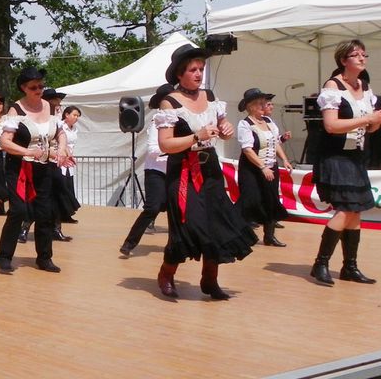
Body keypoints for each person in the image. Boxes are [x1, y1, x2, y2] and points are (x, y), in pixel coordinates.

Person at [154, 45, 257, 300]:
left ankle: (209, 279)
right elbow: (166, 144)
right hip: (184, 171)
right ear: (180, 74)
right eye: (193, 69)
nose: (199, 73)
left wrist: (226, 128)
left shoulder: (210, 96)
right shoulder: (171, 102)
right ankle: (167, 273)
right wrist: (195, 136)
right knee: (189, 226)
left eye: (201, 69)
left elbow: (221, 124)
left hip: (209, 167)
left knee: (217, 224)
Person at [309, 39, 381, 286]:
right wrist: (368, 117)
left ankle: (350, 267)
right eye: (356, 55)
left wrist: (378, 120)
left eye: (364, 54)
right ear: (343, 60)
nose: (362, 58)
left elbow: (370, 128)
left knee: (355, 211)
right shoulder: (333, 86)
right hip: (335, 157)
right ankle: (320, 263)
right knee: (346, 209)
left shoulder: (364, 87)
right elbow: (332, 126)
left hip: (355, 156)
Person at [0, 67, 69, 274]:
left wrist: (62, 148)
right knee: (18, 211)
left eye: (41, 85)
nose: (39, 89)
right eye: (34, 87)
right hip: (19, 168)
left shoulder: (51, 108)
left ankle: (44, 258)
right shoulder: (15, 111)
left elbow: (60, 132)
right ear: (24, 88)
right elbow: (5, 142)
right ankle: (4, 256)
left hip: (44, 167)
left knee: (45, 212)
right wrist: (27, 150)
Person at [120, 84, 172, 256]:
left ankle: (178, 245)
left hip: (174, 171)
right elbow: (153, 149)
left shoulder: (181, 120)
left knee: (178, 209)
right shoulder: (157, 122)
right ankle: (130, 243)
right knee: (152, 208)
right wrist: (174, 149)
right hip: (156, 171)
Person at [235, 88, 292, 247]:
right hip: (252, 168)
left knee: (271, 199)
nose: (263, 105)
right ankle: (240, 234)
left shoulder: (269, 122)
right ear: (251, 106)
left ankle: (269, 236)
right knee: (250, 200)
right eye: (259, 103)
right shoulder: (245, 124)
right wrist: (262, 167)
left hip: (270, 167)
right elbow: (247, 150)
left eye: (263, 103)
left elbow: (275, 143)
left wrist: (284, 160)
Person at [53, 104, 81, 238]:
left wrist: (70, 155)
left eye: (78, 116)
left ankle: (66, 214)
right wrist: (67, 154)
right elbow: (61, 144)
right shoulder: (59, 125)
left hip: (68, 162)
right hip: (58, 160)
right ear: (66, 115)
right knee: (59, 192)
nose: (76, 118)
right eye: (74, 115)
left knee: (67, 189)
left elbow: (70, 145)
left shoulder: (74, 129)